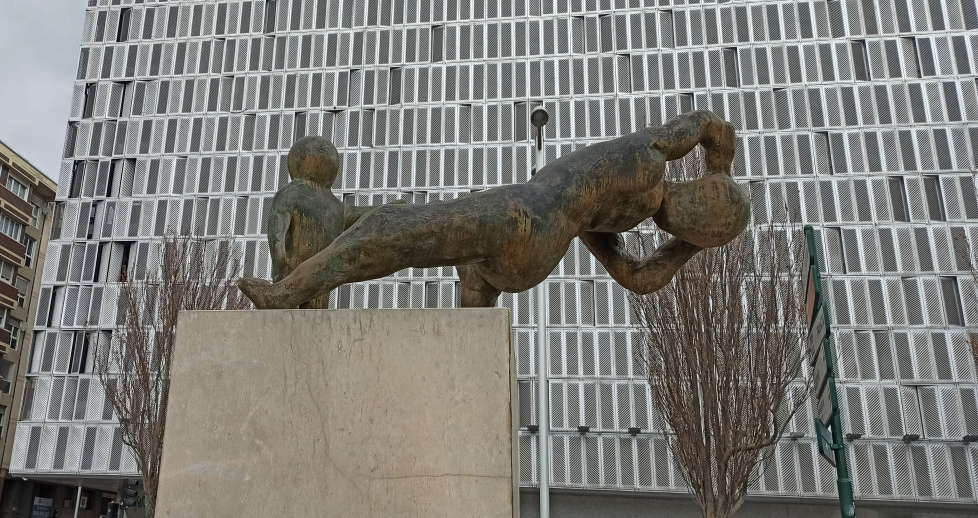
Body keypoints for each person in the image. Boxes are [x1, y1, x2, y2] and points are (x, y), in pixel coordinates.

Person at [240, 110, 749, 309]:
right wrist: (689, 248)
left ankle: (289, 291)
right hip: (535, 254)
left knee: (400, 227)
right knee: (464, 275)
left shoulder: (649, 159)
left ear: (698, 186)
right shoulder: (613, 219)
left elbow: (708, 124)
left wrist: (721, 161)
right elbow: (638, 278)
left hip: (526, 215)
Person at [267, 136, 388, 308]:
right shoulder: (291, 193)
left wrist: (388, 208)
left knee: (309, 313)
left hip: (317, 276)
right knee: (295, 311)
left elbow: (360, 214)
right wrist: (279, 257)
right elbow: (277, 226)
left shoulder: (332, 204)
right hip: (295, 271)